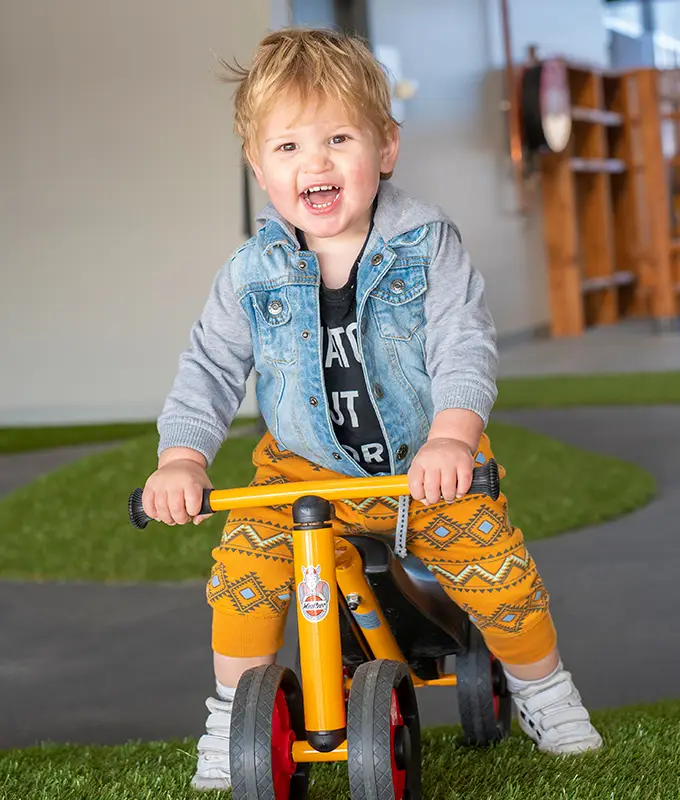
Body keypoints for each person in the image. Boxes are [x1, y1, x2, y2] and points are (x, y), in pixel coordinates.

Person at [142, 26, 603, 791]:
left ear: (385, 149)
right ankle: (230, 714)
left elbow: (464, 346)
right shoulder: (250, 273)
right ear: (258, 166)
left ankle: (543, 689)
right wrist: (181, 458)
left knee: (499, 577)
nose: (314, 163)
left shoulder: (425, 244)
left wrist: (453, 439)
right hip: (302, 474)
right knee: (244, 571)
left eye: (338, 139)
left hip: (425, 471)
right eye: (287, 148)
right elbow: (210, 367)